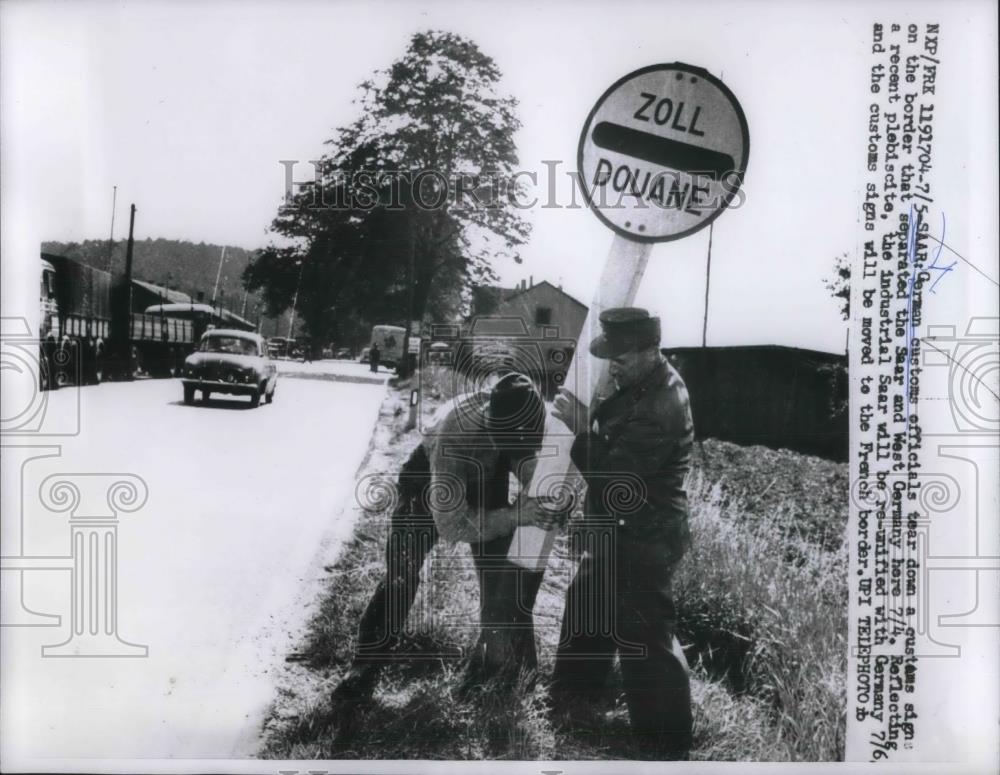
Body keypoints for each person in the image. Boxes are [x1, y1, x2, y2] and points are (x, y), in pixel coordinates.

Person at [331, 371, 548, 711]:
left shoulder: (524, 418)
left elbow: (528, 464)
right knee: (401, 575)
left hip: (486, 480)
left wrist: (545, 500)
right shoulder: (455, 430)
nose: (517, 448)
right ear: (493, 422)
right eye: (510, 441)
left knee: (501, 577)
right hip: (426, 486)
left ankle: (501, 673)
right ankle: (362, 671)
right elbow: (451, 525)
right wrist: (512, 516)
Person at [539, 307, 695, 760]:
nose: (614, 365)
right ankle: (575, 696)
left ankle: (667, 743)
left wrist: (576, 428)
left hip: (645, 533)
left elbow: (615, 479)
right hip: (621, 526)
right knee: (588, 600)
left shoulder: (660, 405)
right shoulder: (643, 382)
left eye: (622, 356)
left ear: (651, 350)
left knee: (645, 635)